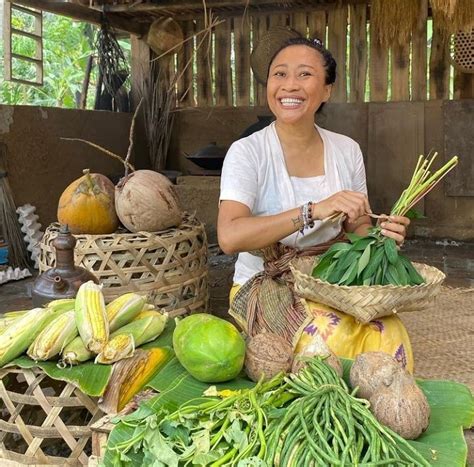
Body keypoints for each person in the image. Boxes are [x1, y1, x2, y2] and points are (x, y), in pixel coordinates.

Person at [217, 33, 413, 371]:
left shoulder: (346, 150)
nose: (289, 85)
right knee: (326, 346)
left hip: (330, 283)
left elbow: (358, 227)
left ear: (326, 90)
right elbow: (230, 237)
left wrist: (382, 237)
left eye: (304, 74)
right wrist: (312, 211)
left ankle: (374, 419)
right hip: (265, 286)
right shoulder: (247, 152)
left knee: (389, 333)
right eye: (280, 74)